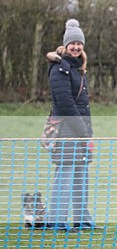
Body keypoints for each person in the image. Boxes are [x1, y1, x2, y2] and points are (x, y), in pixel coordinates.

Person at [41, 19, 96, 231]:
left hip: (81, 132)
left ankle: (82, 219)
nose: (76, 47)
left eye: (79, 43)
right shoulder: (59, 69)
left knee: (81, 175)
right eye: (72, 43)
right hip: (66, 132)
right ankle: (57, 220)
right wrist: (84, 131)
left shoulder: (79, 68)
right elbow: (65, 105)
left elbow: (83, 105)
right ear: (66, 44)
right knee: (65, 174)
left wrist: (87, 132)